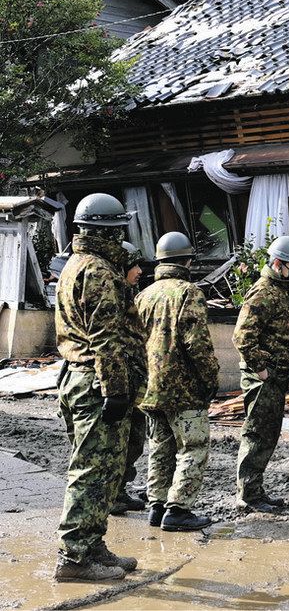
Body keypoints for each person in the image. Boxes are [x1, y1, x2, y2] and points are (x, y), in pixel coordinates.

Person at [53, 193, 138, 581]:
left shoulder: (73, 264)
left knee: (102, 470)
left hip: (77, 377)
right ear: (109, 231)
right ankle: (74, 558)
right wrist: (116, 391)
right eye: (119, 230)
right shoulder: (99, 270)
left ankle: (92, 544)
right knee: (92, 471)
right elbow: (107, 338)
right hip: (95, 381)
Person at [135, 232, 220, 532]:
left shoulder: (143, 295)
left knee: (160, 447)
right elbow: (197, 343)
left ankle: (156, 506)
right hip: (184, 389)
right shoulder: (189, 293)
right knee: (193, 447)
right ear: (186, 261)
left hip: (150, 388)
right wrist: (211, 379)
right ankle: (179, 509)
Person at [233, 235, 289, 513]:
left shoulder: (278, 291)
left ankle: (254, 490)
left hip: (275, 380)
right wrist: (262, 370)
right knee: (257, 435)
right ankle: (248, 494)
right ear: (278, 264)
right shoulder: (263, 292)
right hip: (263, 381)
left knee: (266, 436)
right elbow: (242, 336)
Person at [111, 242, 148, 516]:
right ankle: (112, 493)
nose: (139, 272)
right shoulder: (111, 300)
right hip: (121, 382)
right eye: (133, 267)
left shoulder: (129, 296)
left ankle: (119, 490)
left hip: (134, 381)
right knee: (119, 442)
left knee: (135, 439)